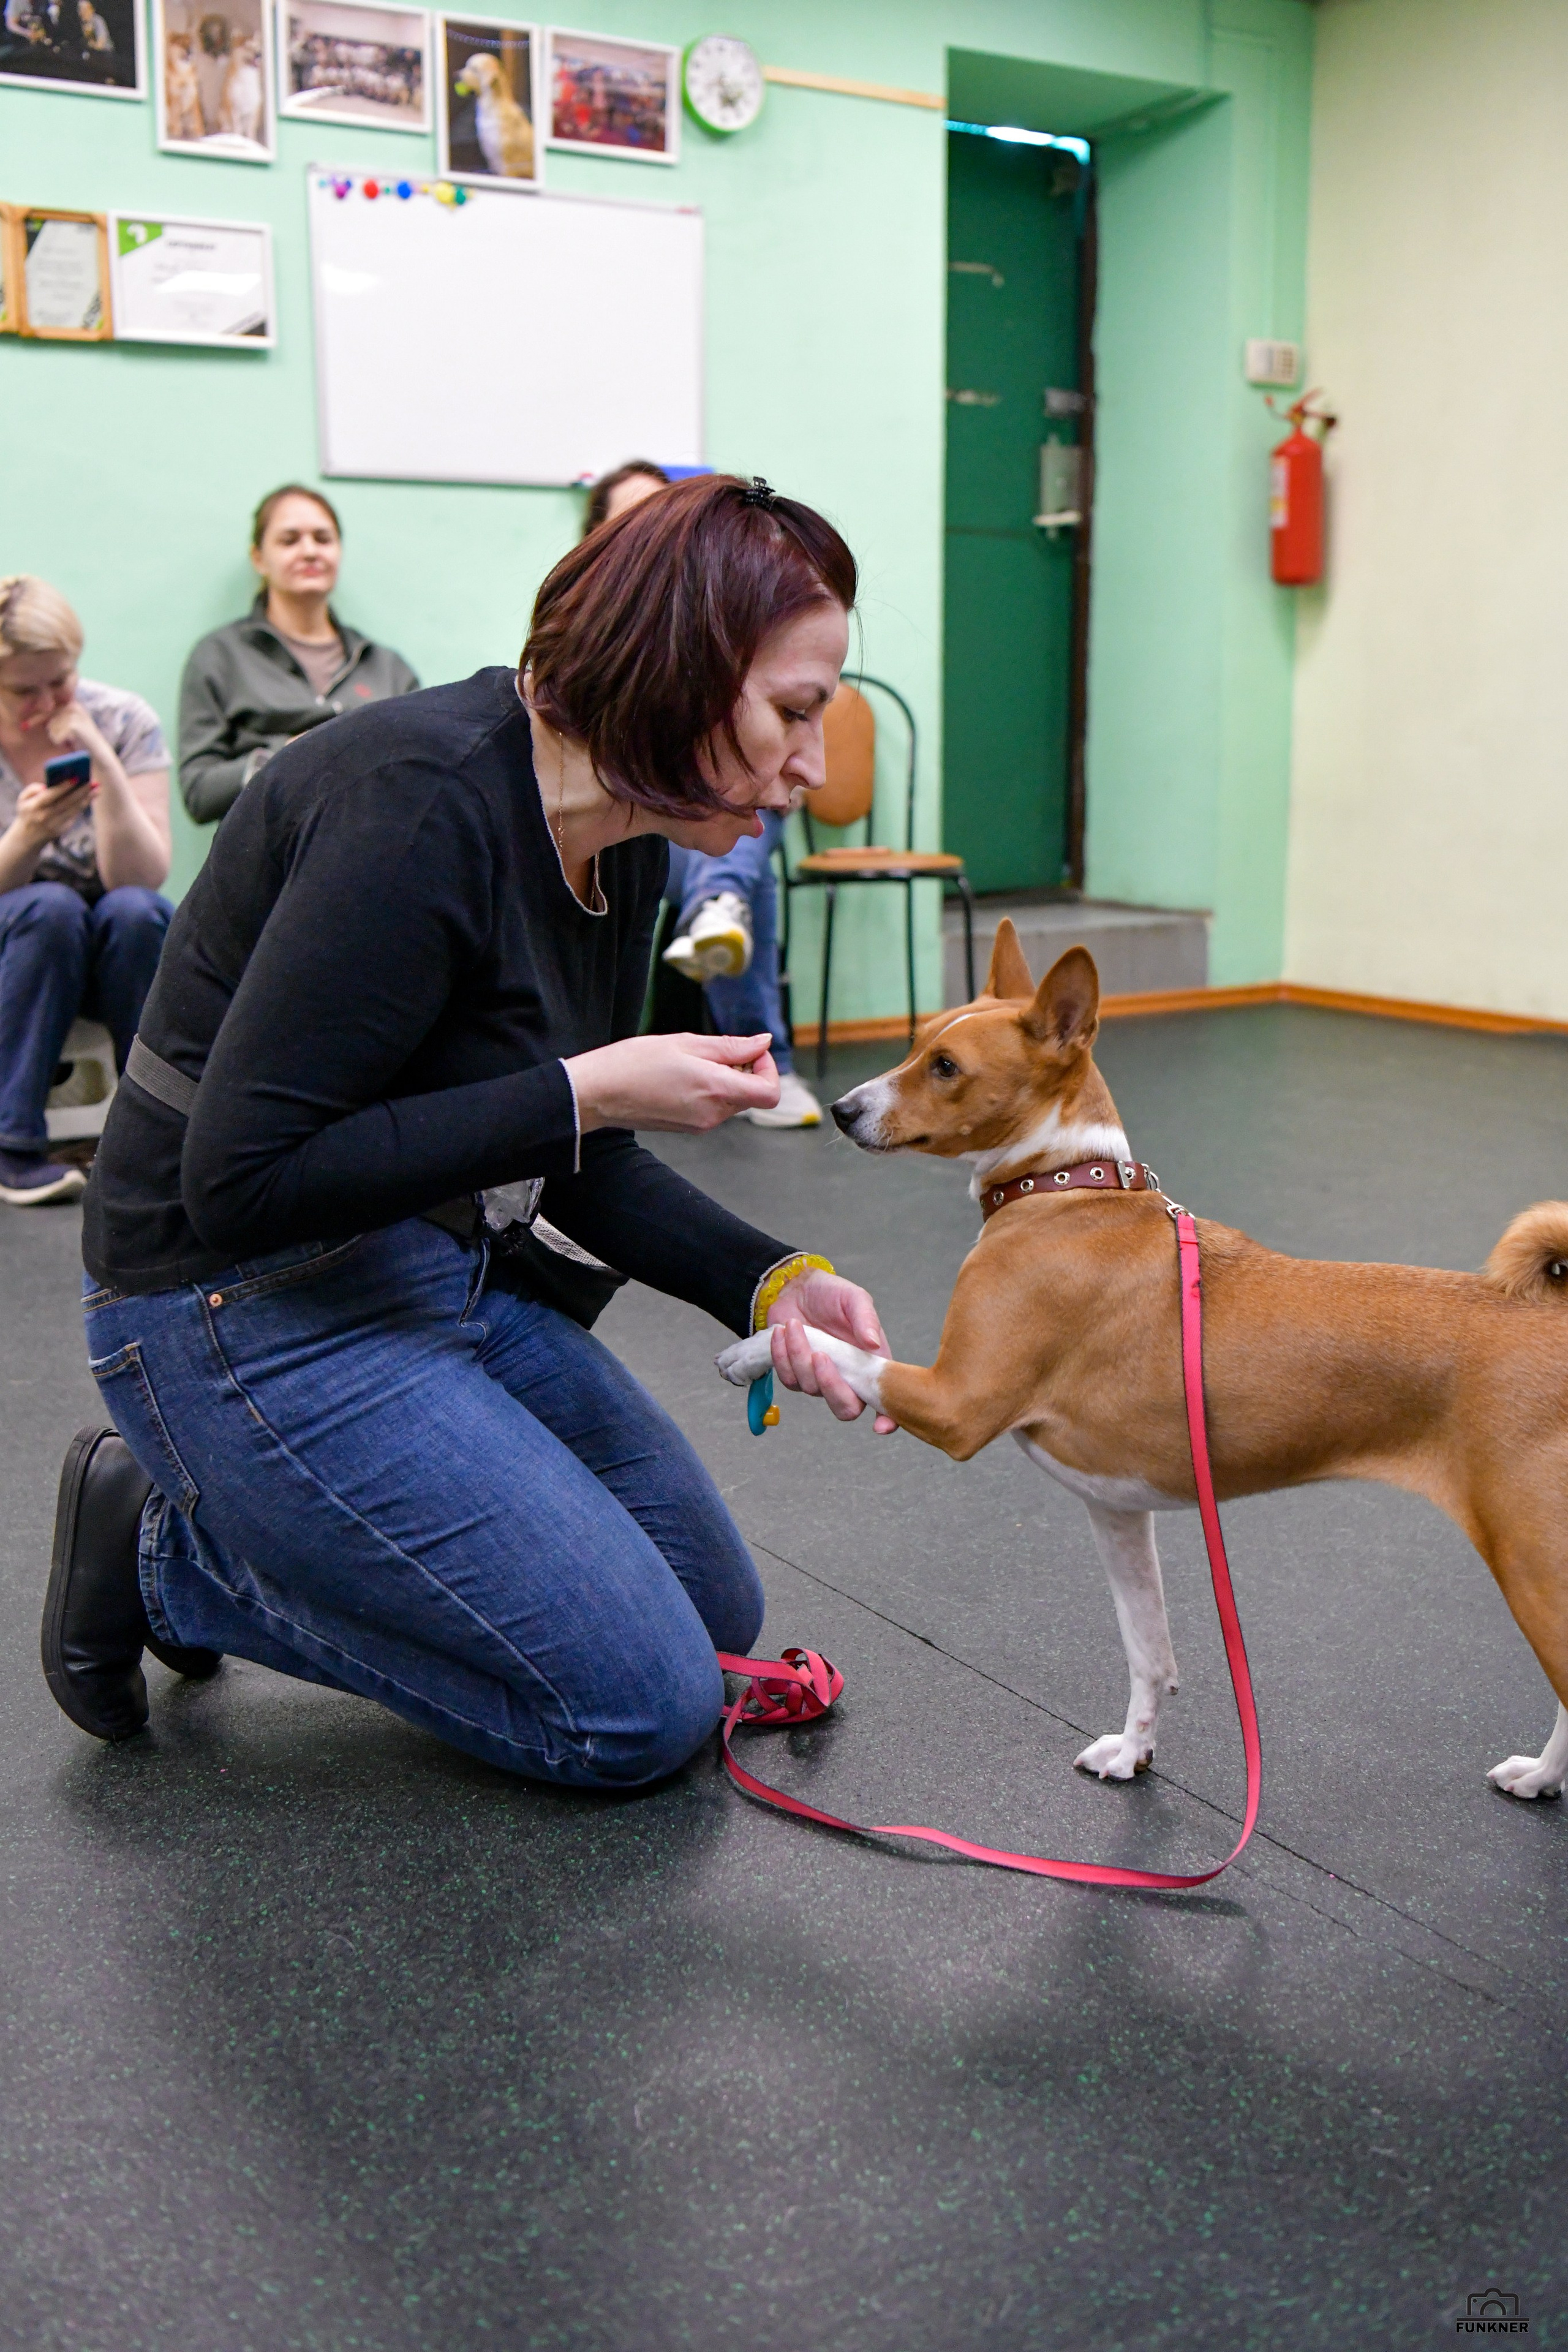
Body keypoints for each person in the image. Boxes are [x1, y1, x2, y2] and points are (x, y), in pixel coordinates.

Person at [47, 474, 896, 1787]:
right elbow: (241, 1185)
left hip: (421, 1265)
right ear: (675, 676)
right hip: (225, 1303)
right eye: (791, 712)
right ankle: (169, 1564)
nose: (807, 764)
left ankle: (240, 1542)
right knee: (636, 1717)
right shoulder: (412, 806)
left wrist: (770, 1280)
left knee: (711, 1614)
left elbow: (583, 1156)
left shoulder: (632, 844)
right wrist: (584, 1088)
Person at [584, 461, 822, 1130]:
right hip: (622, 832)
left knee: (750, 825)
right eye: (629, 521)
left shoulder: (724, 636)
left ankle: (719, 903)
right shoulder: (591, 644)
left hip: (698, 840)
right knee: (748, 866)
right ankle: (761, 1063)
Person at [0, 576, 173, 1207]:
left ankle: (155, 1136)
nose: (46, 702)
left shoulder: (123, 720)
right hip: (19, 940)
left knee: (136, 913)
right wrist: (26, 837)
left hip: (106, 943)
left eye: (61, 681)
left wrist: (104, 761)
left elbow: (142, 878)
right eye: (24, 689)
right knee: (49, 907)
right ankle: (12, 1143)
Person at [178, 484, 419, 826]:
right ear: (259, 558)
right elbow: (199, 793)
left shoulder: (387, 667)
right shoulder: (220, 656)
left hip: (374, 850)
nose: (310, 552)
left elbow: (423, 775)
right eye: (290, 540)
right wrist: (292, 753)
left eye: (323, 539)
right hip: (272, 859)